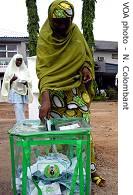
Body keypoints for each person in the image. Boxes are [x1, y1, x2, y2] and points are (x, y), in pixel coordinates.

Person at [36, 0, 105, 187]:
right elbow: (43, 70)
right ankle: (62, 172)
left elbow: (85, 57)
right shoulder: (45, 38)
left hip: (76, 93)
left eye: (66, 21)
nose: (62, 26)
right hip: (53, 95)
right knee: (58, 137)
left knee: (83, 134)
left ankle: (88, 170)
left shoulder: (75, 33)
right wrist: (45, 99)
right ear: (50, 19)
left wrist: (85, 68)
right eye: (57, 22)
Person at [1, 54, 33, 122]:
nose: (19, 62)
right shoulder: (10, 70)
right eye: (18, 60)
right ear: (14, 61)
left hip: (23, 92)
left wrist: (26, 82)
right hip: (15, 92)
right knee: (18, 108)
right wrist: (12, 79)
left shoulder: (25, 70)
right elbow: (5, 83)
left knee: (22, 109)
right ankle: (20, 124)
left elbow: (30, 81)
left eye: (21, 60)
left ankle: (22, 124)